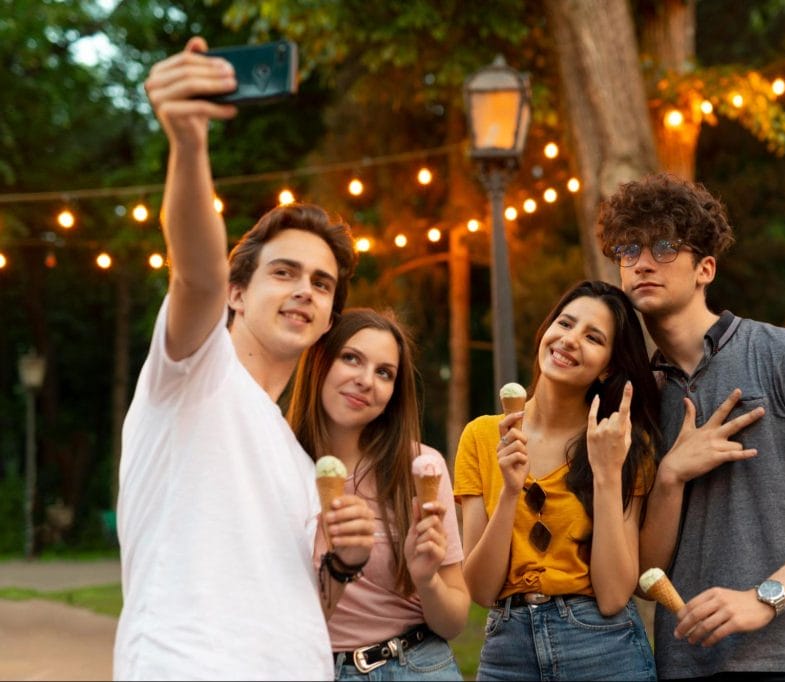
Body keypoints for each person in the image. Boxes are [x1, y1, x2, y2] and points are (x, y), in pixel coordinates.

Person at [115, 37, 375, 681]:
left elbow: (297, 605)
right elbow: (196, 276)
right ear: (238, 292)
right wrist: (188, 143)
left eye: (321, 284)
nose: (304, 291)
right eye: (284, 272)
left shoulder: (300, 459)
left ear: (328, 319)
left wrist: (343, 563)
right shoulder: (195, 373)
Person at [597, 172, 785, 680]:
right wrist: (669, 477)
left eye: (664, 246)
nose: (642, 262)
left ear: (705, 268)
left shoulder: (784, 354)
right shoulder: (637, 400)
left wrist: (765, 597)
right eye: (628, 250)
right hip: (686, 665)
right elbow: (647, 574)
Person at [454, 280, 661, 681]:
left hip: (601, 648)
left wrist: (605, 474)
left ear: (609, 366)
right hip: (506, 650)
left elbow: (615, 593)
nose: (569, 340)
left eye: (593, 337)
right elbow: (480, 590)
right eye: (564, 324)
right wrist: (511, 491)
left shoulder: (624, 444)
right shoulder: (481, 436)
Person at [288, 308, 470, 680]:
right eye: (351, 358)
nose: (366, 380)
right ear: (319, 362)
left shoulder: (420, 467)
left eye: (384, 372)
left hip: (418, 665)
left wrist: (427, 579)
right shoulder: (276, 462)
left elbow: (454, 622)